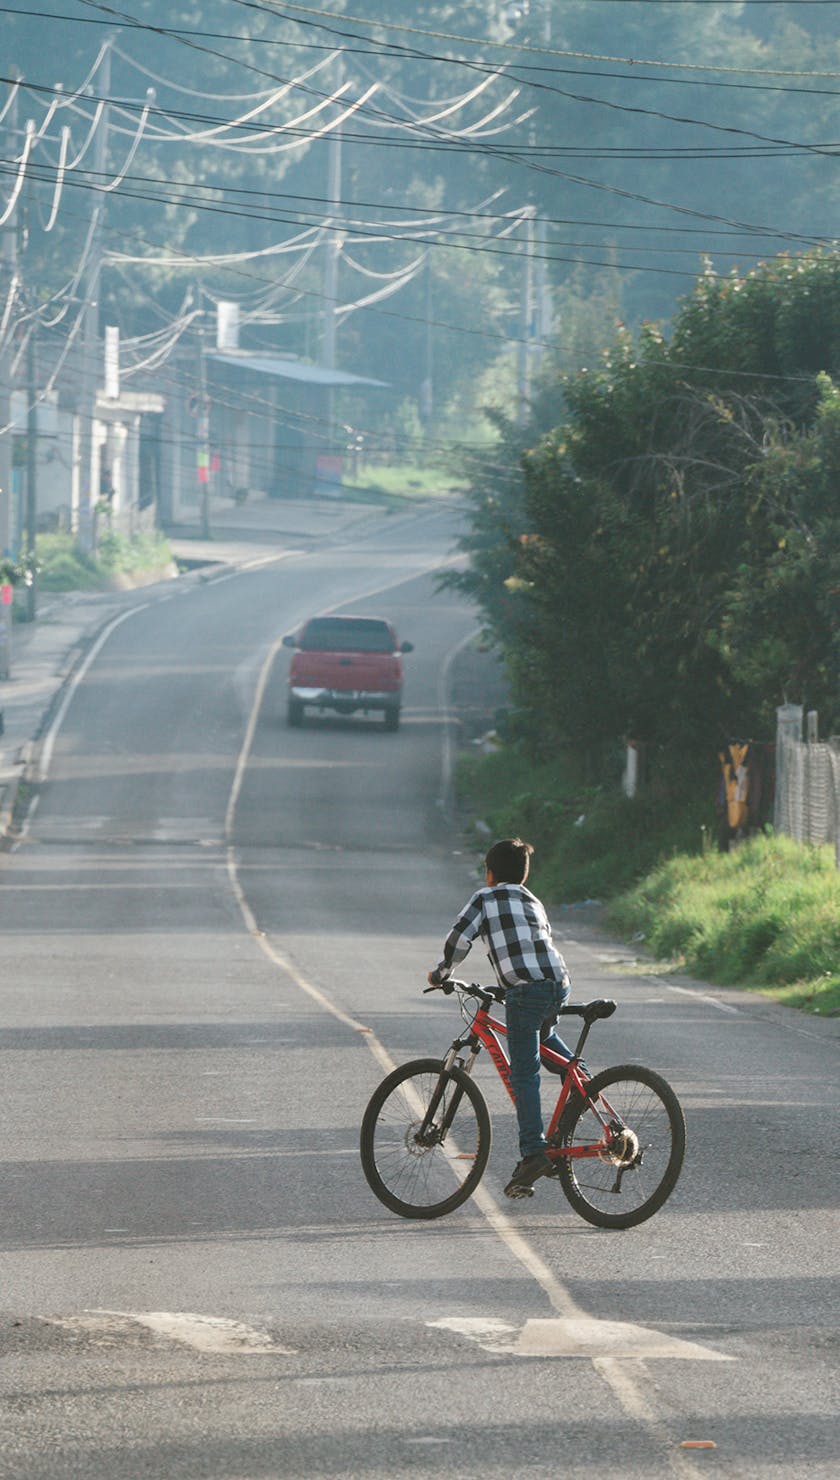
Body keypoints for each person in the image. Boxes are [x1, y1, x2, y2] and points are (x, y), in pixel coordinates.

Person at [427, 837, 577, 1200]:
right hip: (557, 983)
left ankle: (532, 1153)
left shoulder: (485, 897)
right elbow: (534, 943)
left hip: (526, 991)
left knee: (523, 1071)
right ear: (523, 876)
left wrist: (442, 972)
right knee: (544, 1041)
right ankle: (581, 1082)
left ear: (489, 874)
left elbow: (459, 938)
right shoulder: (532, 900)